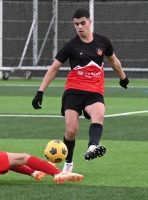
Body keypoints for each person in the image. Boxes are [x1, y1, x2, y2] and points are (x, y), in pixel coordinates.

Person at [32, 8, 129, 173]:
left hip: (94, 91)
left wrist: (123, 78)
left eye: (82, 23)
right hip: (74, 91)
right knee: (71, 130)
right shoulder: (71, 45)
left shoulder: (103, 42)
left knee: (99, 113)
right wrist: (40, 92)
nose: (79, 27)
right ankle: (68, 163)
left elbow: (115, 63)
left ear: (89, 22)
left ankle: (92, 147)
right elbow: (54, 68)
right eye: (76, 24)